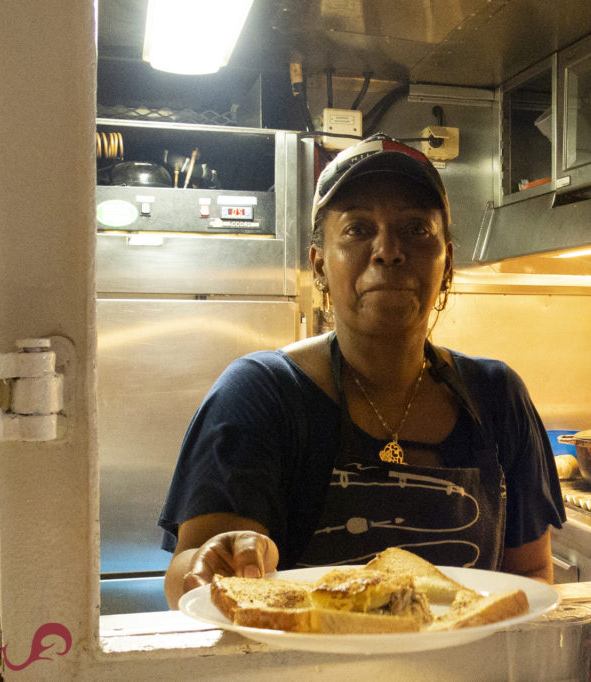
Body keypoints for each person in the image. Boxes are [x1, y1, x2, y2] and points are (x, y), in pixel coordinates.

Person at [159, 133, 566, 608]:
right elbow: (196, 574)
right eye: (357, 229)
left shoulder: (497, 396)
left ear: (447, 262)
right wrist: (212, 560)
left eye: (416, 229)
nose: (388, 250)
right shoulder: (260, 395)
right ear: (318, 265)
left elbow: (532, 575)